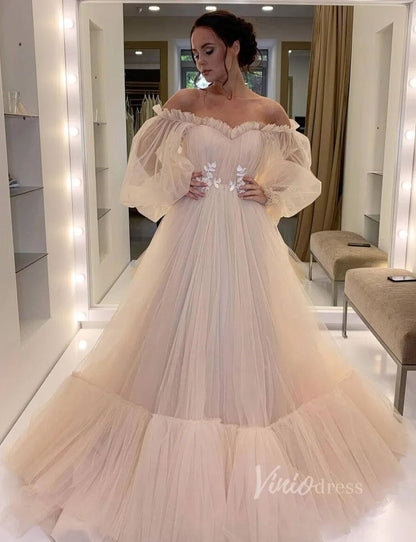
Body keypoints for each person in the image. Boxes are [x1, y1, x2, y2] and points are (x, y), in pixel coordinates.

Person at [0, 9, 411, 542]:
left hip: (246, 237)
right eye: (195, 52)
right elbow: (143, 162)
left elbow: (299, 173)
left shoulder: (269, 112)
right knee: (174, 332)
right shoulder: (184, 104)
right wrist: (178, 181)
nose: (200, 61)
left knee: (251, 333)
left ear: (235, 48)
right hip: (190, 233)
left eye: (209, 50)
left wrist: (269, 190)